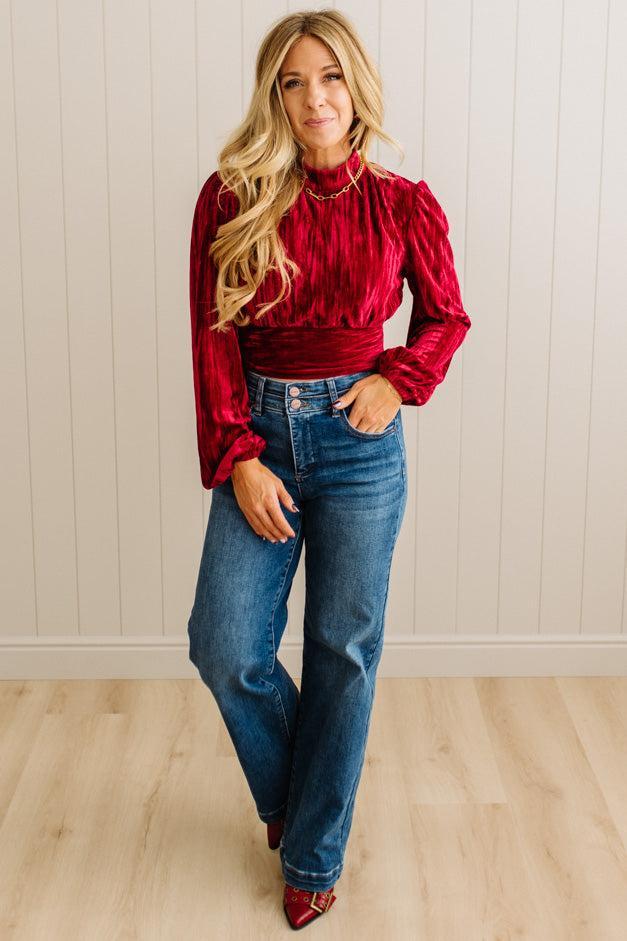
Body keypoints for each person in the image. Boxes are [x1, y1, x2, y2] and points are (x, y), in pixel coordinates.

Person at [186, 9, 471, 931]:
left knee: (342, 653)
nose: (315, 98)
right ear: (273, 96)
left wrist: (398, 376)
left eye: (331, 77)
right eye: (293, 82)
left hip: (359, 444)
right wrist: (236, 456)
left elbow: (444, 317)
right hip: (261, 435)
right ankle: (304, 792)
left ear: (357, 86)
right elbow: (211, 337)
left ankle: (311, 849)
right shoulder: (230, 197)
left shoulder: (401, 201)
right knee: (225, 645)